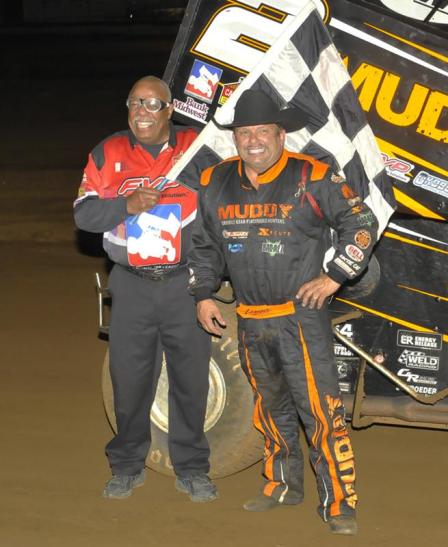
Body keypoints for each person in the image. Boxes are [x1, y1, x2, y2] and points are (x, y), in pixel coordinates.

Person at [188, 89, 380, 534]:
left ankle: (339, 504)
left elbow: (362, 224)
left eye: (262, 131)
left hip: (300, 317)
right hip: (250, 319)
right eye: (244, 133)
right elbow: (203, 245)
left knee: (321, 411)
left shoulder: (312, 175)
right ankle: (282, 485)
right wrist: (202, 295)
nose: (253, 140)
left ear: (280, 134)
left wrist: (335, 275)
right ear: (235, 138)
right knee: (269, 410)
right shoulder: (214, 182)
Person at [74, 75, 218, 503]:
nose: (142, 111)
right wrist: (126, 205)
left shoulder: (197, 147)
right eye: (135, 102)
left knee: (190, 381)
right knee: (130, 380)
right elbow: (83, 214)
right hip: (132, 286)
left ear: (169, 110)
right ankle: (126, 466)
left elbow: (230, 193)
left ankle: (192, 468)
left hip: (184, 285)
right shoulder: (109, 151)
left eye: (153, 104)